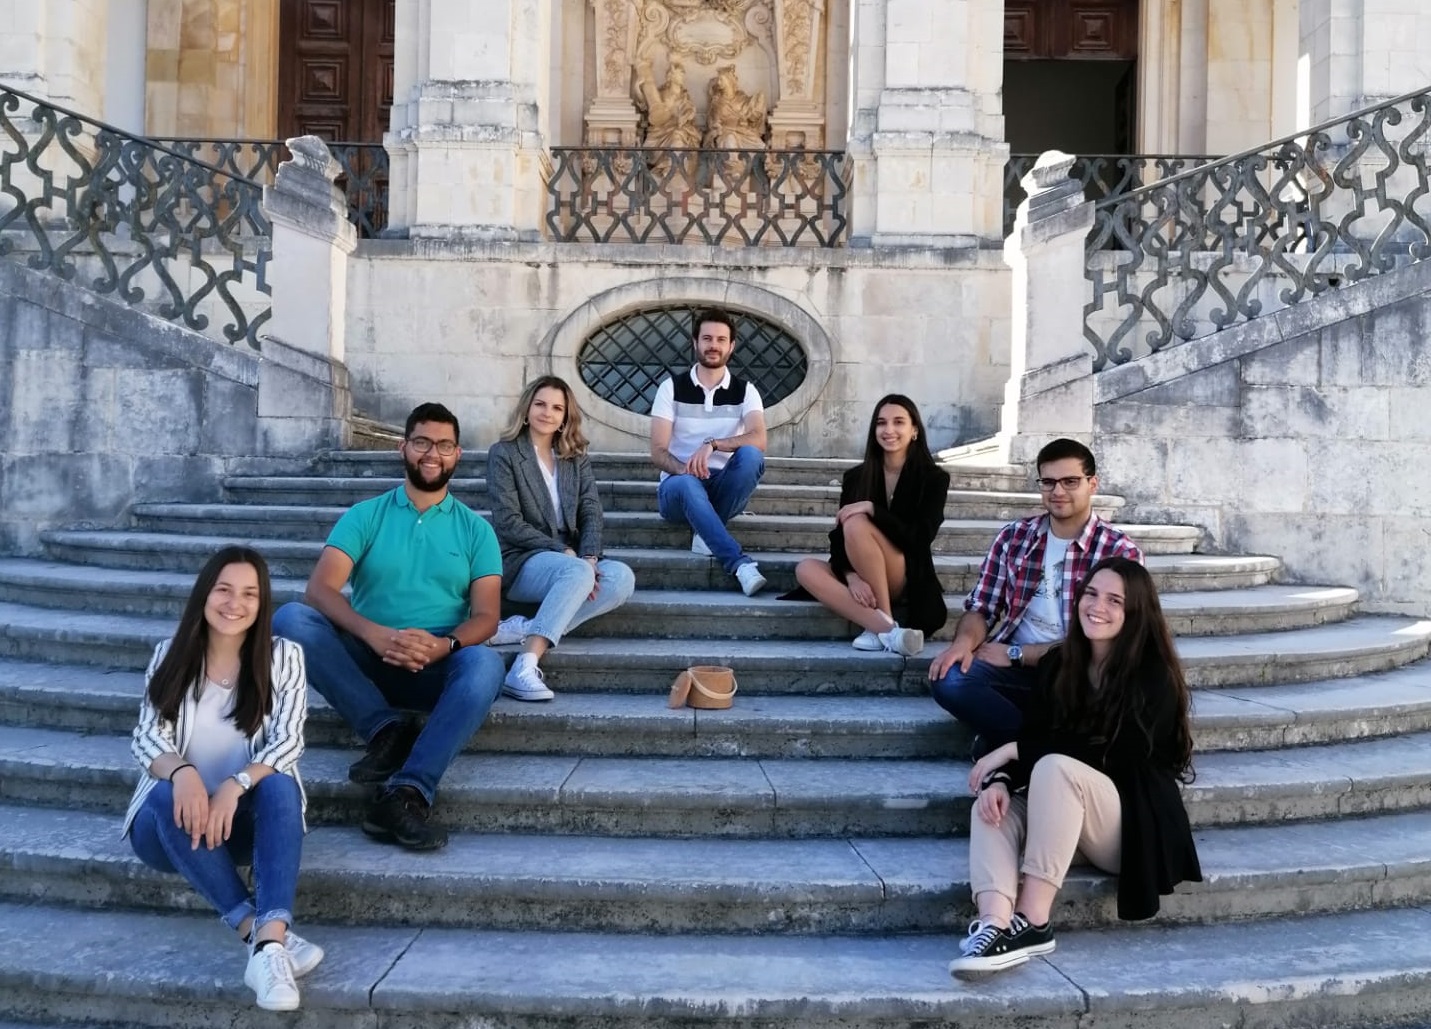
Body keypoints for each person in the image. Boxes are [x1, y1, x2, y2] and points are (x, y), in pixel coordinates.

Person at [949, 556, 1202, 976]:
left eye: (1115, 600)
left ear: (1136, 611)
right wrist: (1001, 780)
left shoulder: (1152, 674)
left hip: (1128, 825)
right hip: (1065, 819)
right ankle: (994, 926)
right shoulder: (1059, 665)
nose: (1098, 607)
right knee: (991, 807)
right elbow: (1037, 733)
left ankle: (1034, 922)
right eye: (1091, 594)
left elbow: (1119, 753)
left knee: (1055, 767)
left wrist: (1013, 750)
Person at [273, 402, 504, 852]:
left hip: (435, 666)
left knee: (486, 665)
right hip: (367, 660)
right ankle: (385, 729)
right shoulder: (366, 515)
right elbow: (320, 590)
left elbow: (486, 617)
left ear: (457, 454)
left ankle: (407, 792)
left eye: (444, 445)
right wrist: (373, 633)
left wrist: (443, 645)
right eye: (422, 442)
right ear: (403, 448)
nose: (432, 454)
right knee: (290, 618)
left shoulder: (477, 531)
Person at [123, 546, 319, 1012]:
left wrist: (235, 785)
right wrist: (184, 773)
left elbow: (288, 741)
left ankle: (267, 942)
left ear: (262, 603)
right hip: (166, 830)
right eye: (224, 590)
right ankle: (265, 939)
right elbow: (147, 737)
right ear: (204, 594)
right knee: (164, 793)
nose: (235, 603)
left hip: (241, 824)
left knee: (279, 783)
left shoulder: (283, 657)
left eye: (250, 594)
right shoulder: (169, 655)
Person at [928, 438, 1143, 754]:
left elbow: (1117, 640)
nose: (1058, 491)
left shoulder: (1120, 552)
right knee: (950, 680)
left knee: (1110, 702)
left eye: (1070, 481)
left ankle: (1009, 742)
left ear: (1092, 484)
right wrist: (962, 644)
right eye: (1048, 482)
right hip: (1014, 671)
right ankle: (1031, 744)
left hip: (1078, 673)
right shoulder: (1014, 537)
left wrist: (1018, 653)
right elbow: (982, 607)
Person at [485, 375, 637, 701]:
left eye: (557, 408)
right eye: (540, 404)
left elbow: (591, 511)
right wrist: (564, 552)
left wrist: (590, 557)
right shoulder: (504, 454)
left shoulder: (574, 457)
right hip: (521, 559)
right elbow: (508, 522)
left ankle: (527, 628)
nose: (547, 413)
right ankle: (524, 666)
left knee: (622, 577)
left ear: (565, 417)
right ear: (527, 409)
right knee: (577, 570)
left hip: (571, 562)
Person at [793, 394, 948, 657]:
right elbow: (838, 538)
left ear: (914, 431)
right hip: (861, 568)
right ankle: (886, 629)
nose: (889, 430)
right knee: (805, 569)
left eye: (898, 422)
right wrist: (851, 577)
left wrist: (873, 509)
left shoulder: (933, 478)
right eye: (881, 423)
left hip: (905, 573)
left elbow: (920, 537)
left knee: (855, 522)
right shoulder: (856, 477)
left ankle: (880, 620)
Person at [649, 308, 769, 596]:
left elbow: (759, 438)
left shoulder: (746, 391)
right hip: (677, 489)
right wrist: (686, 470)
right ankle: (739, 564)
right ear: (695, 342)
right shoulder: (671, 388)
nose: (713, 345)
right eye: (707, 338)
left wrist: (713, 444)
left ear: (731, 346)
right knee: (688, 484)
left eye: (720, 339)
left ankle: (707, 531)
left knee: (752, 455)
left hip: (723, 487)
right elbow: (657, 451)